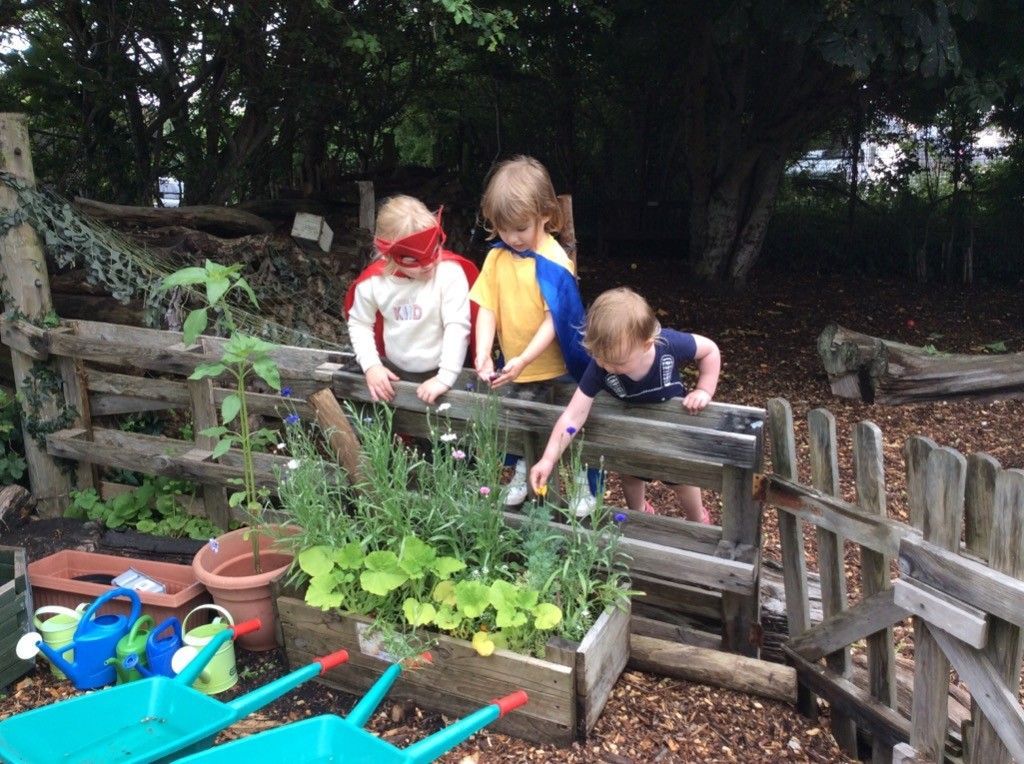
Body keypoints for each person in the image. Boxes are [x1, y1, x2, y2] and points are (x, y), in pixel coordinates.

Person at [529, 287, 720, 523]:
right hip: (632, 433)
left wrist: (704, 389)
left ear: (647, 344)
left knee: (682, 481)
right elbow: (573, 416)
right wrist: (548, 459)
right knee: (629, 476)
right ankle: (639, 514)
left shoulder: (667, 345)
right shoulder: (601, 365)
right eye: (600, 358)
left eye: (617, 362)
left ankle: (697, 518)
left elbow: (710, 350)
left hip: (670, 431)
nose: (608, 367)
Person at [469, 156, 592, 513]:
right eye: (502, 228)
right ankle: (523, 471)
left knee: (570, 426)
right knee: (520, 423)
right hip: (514, 366)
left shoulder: (555, 260)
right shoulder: (497, 258)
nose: (511, 237)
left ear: (545, 214)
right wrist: (482, 351)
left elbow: (555, 319)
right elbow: (486, 306)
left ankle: (581, 482)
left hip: (558, 366)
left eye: (520, 228)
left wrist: (524, 358)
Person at [344, 195, 477, 405]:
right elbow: (360, 322)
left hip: (449, 371)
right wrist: (371, 366)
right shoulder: (373, 284)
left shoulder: (449, 273)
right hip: (395, 372)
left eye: (433, 252)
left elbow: (457, 326)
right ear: (387, 255)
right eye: (412, 259)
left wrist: (445, 377)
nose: (427, 265)